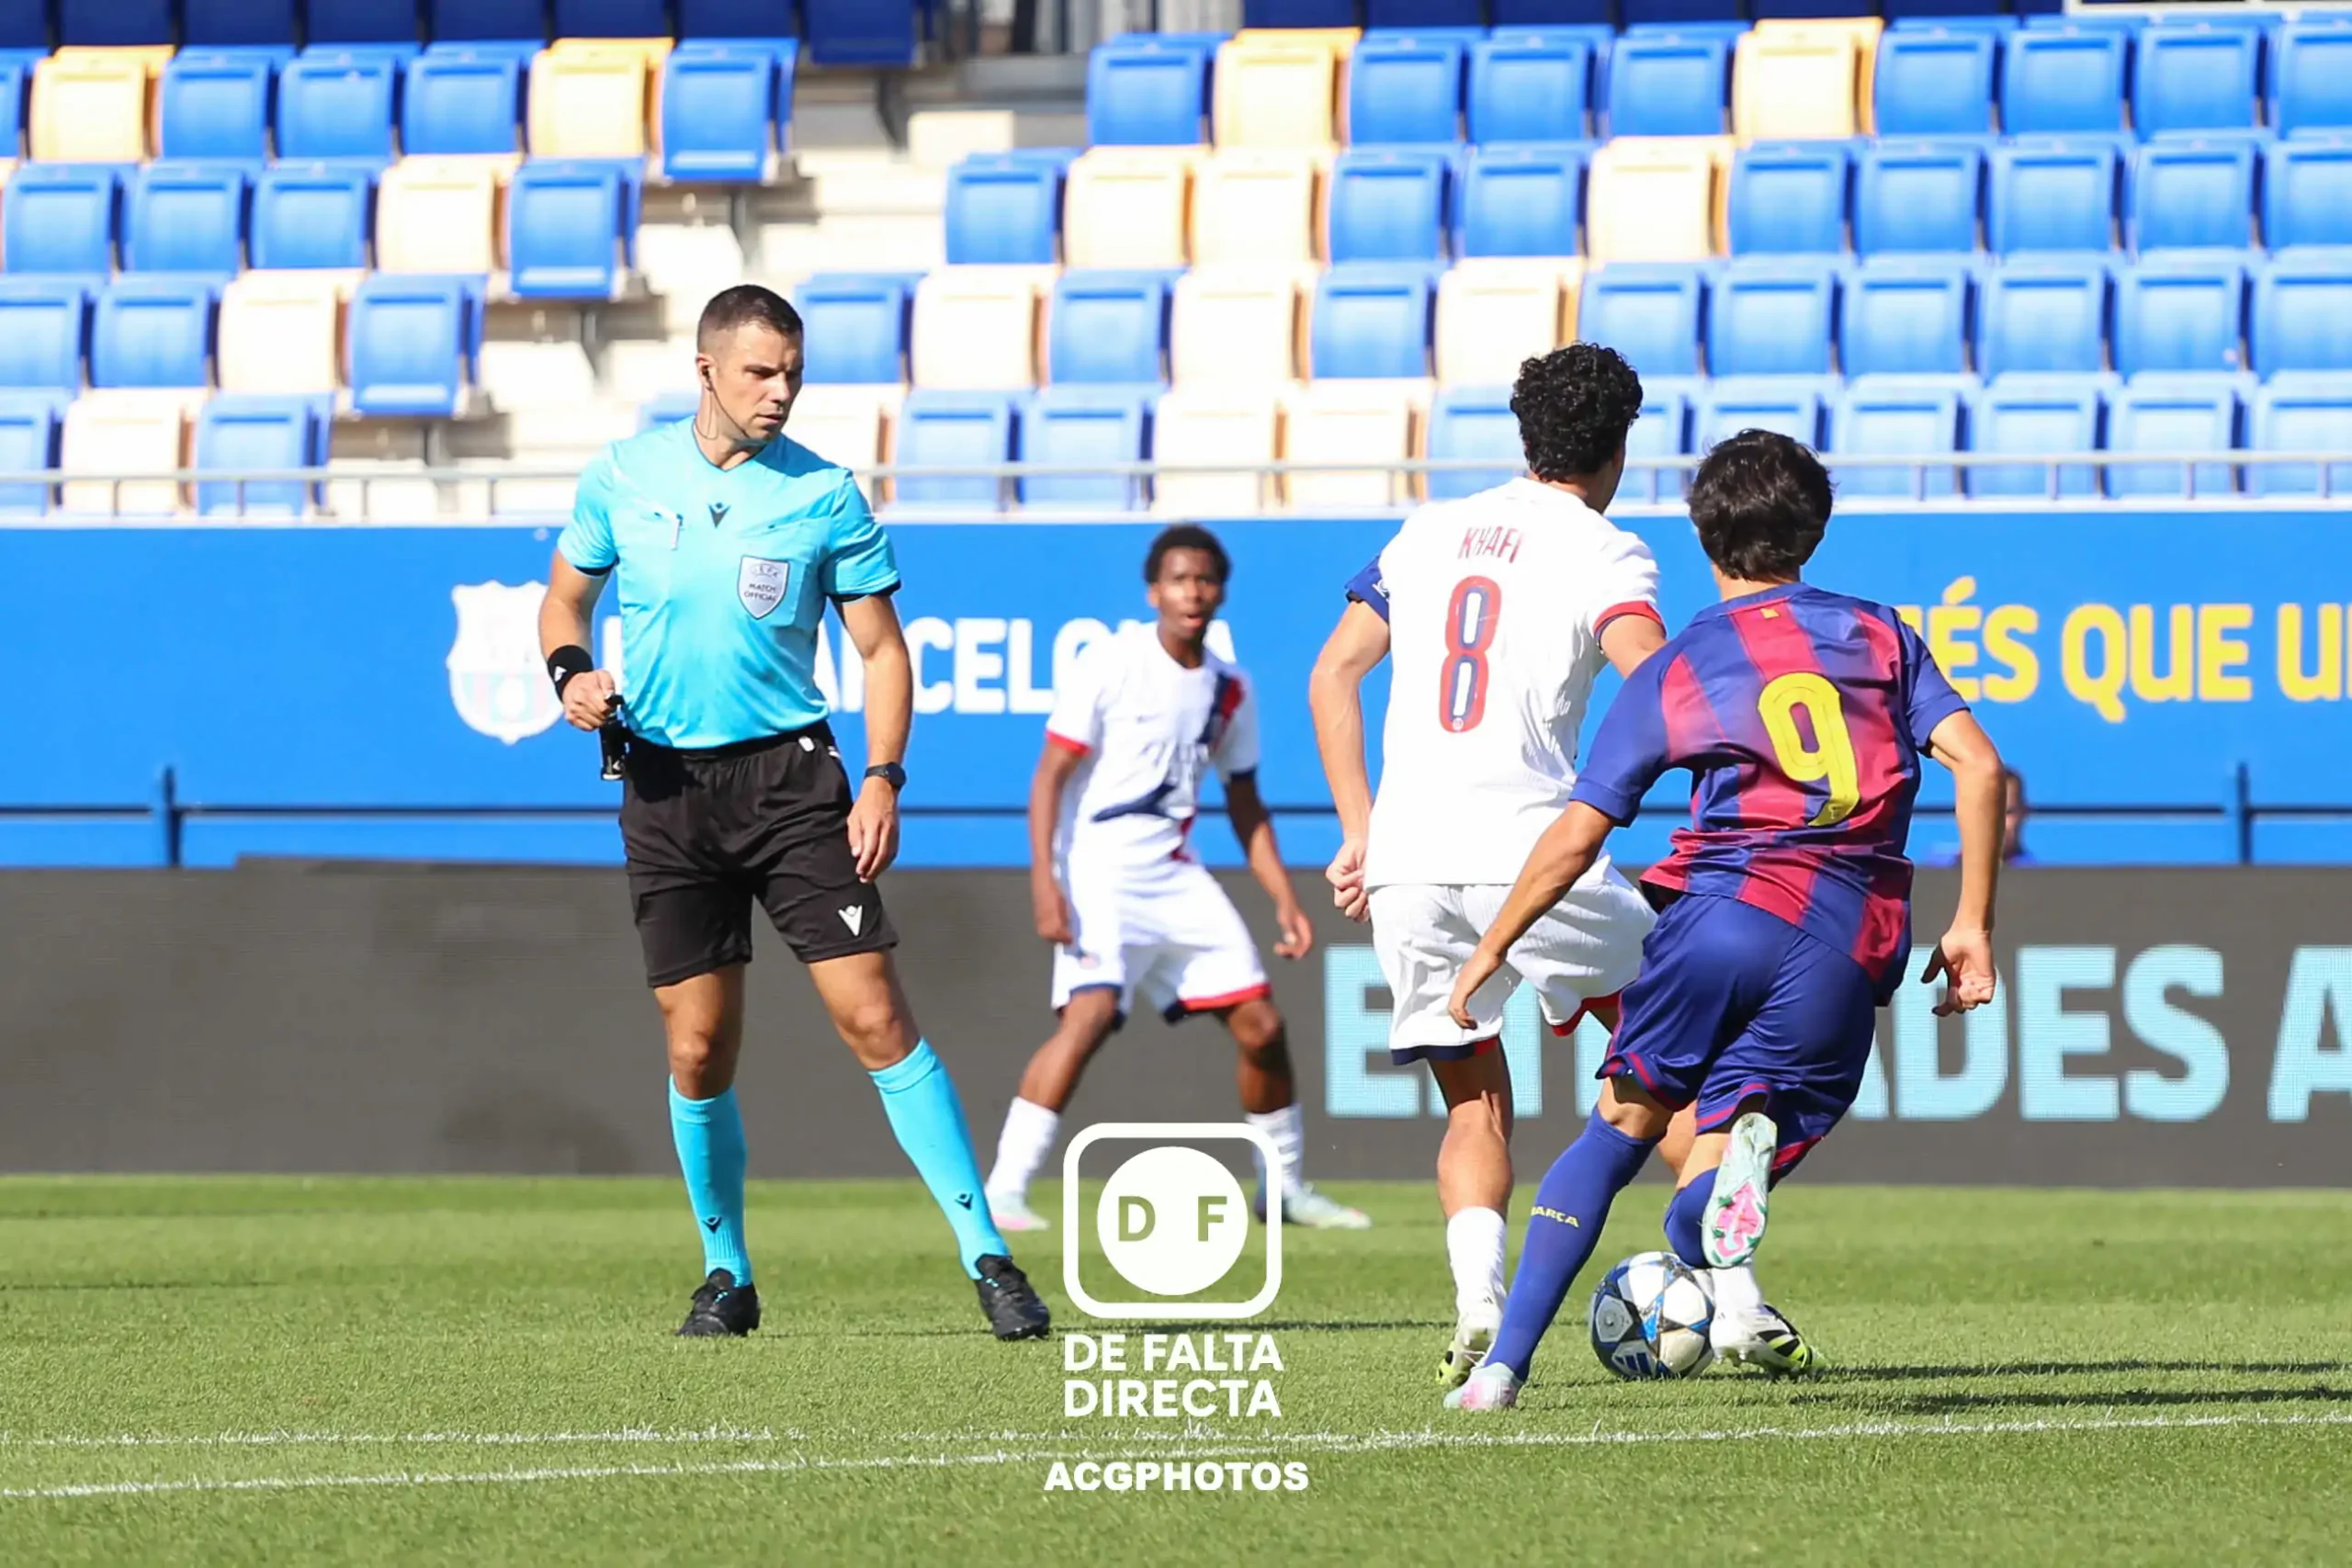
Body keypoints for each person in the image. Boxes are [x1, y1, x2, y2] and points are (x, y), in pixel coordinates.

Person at [1444, 431, 2007, 1412]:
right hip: (1846, 934)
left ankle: (1501, 1368)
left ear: (1703, 534)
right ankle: (1715, 1201)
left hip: (1720, 913)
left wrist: (1492, 948)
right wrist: (1971, 925)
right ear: (1816, 530)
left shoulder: (1680, 663)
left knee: (1618, 1128)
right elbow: (1982, 767)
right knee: (1742, 1138)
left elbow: (1578, 833)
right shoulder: (1881, 636)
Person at [537, 284, 1050, 1342]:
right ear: (707, 369)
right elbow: (563, 600)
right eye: (761, 372)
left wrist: (882, 776)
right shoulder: (624, 477)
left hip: (793, 784)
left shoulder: (823, 495)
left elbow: (881, 650)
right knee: (697, 1048)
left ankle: (988, 1257)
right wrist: (569, 674)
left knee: (875, 1019)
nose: (780, 393)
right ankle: (726, 1275)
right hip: (666, 791)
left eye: (793, 374)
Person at [1310, 343, 1725, 1390]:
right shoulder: (1607, 552)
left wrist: (1358, 827)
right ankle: (1740, 1299)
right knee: (1671, 1069)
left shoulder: (1425, 533)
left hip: (1407, 861)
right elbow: (1656, 681)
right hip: (1533, 852)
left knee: (1472, 1104)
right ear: (1619, 446)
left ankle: (1476, 1303)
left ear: (1524, 431)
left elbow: (1333, 674)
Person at [984, 527, 1371, 1233]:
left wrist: (1285, 897)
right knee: (1090, 1015)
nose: (1192, 593)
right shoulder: (1112, 662)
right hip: (1100, 865)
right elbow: (1049, 779)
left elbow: (1246, 804)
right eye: (1179, 580)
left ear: (1221, 591)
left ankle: (1281, 1189)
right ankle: (1004, 1189)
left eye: (1204, 580)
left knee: (1262, 1026)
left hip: (1175, 871)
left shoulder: (1231, 688)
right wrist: (1046, 880)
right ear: (1153, 591)